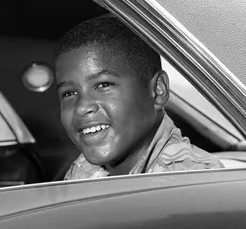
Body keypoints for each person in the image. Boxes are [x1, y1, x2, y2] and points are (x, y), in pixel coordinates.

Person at [55, 14, 224, 180]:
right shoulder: (82, 172)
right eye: (69, 93)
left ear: (158, 91)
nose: (81, 107)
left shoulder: (193, 181)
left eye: (104, 85)